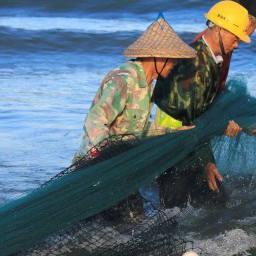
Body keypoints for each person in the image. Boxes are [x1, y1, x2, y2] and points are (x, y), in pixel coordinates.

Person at [76, 15, 196, 220]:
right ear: (158, 57)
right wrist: (104, 158)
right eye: (173, 58)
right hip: (96, 170)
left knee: (134, 219)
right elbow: (95, 119)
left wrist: (173, 132)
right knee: (123, 221)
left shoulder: (147, 85)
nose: (175, 64)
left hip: (121, 169)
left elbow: (138, 129)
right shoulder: (125, 79)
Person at [152, 1, 256, 208]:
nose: (236, 45)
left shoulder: (208, 58)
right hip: (174, 146)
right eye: (235, 38)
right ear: (218, 29)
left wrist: (229, 124)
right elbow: (192, 119)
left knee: (210, 204)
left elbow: (201, 109)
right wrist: (207, 162)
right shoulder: (197, 65)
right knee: (176, 210)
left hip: (186, 143)